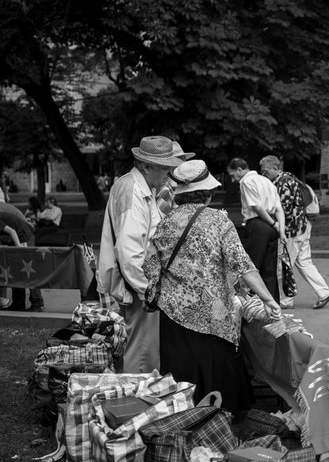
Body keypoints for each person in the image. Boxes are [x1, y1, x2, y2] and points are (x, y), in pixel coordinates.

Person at [143, 160, 280, 413]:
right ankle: (218, 422)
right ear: (207, 193)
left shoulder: (165, 222)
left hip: (173, 314)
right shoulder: (218, 221)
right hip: (213, 314)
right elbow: (243, 265)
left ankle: (181, 418)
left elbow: (150, 266)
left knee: (181, 373)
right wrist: (268, 299)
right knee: (216, 370)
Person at [97, 135, 185, 373]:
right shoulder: (133, 190)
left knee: (142, 352)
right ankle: (136, 395)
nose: (169, 173)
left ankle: (137, 392)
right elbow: (130, 251)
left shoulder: (141, 187)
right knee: (142, 356)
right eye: (164, 168)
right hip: (139, 289)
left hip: (139, 287)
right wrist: (148, 292)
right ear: (146, 166)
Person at [261, 154, 329, 310]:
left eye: (266, 171)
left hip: (292, 230)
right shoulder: (289, 178)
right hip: (302, 226)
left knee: (283, 266)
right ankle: (324, 292)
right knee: (304, 262)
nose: (263, 174)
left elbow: (284, 209)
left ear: (275, 168)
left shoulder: (282, 183)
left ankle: (286, 300)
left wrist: (269, 215)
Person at [227, 157, 285, 301]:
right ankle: (274, 306)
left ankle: (252, 306)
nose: (233, 180)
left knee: (251, 268)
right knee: (269, 271)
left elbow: (256, 206)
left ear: (239, 170)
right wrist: (280, 229)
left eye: (233, 175)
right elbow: (279, 208)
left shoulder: (246, 181)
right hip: (272, 228)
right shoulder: (267, 181)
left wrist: (273, 223)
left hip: (257, 225)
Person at [0, 205, 45, 312]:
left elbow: (12, 231)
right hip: (19, 238)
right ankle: (18, 303)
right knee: (16, 270)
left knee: (28, 271)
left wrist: (18, 248)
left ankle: (37, 302)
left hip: (23, 237)